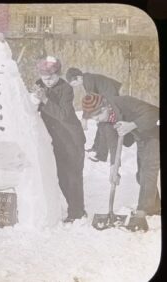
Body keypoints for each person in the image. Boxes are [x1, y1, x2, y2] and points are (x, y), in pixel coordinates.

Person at [81, 93, 160, 231]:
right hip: (141, 139)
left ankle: (141, 213)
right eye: (94, 119)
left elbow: (155, 112)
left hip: (153, 135)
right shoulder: (104, 123)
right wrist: (114, 168)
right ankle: (154, 208)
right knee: (140, 176)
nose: (98, 120)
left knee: (148, 172)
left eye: (98, 116)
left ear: (105, 107)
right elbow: (113, 145)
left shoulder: (124, 101)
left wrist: (132, 125)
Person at [30, 56, 87, 223]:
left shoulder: (66, 89)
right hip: (55, 140)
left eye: (51, 77)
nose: (47, 81)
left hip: (71, 139)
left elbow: (63, 114)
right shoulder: (39, 85)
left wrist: (45, 99)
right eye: (44, 78)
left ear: (59, 74)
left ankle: (77, 213)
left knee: (73, 177)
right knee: (62, 177)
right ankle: (74, 209)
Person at [66, 67, 123, 163]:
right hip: (109, 98)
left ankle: (100, 154)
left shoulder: (88, 80)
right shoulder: (88, 79)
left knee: (103, 126)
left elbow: (90, 99)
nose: (76, 86)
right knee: (102, 125)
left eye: (75, 83)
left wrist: (84, 118)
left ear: (79, 78)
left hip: (112, 100)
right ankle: (97, 150)